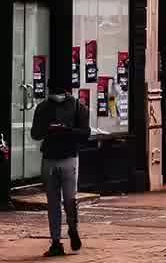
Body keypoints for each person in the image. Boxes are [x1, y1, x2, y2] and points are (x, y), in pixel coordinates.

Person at [30, 75, 86, 257]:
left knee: (65, 200)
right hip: (56, 158)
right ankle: (58, 239)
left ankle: (69, 231)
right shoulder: (45, 107)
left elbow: (85, 133)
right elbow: (35, 134)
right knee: (58, 201)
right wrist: (49, 129)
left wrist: (65, 130)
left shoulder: (76, 106)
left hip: (63, 158)